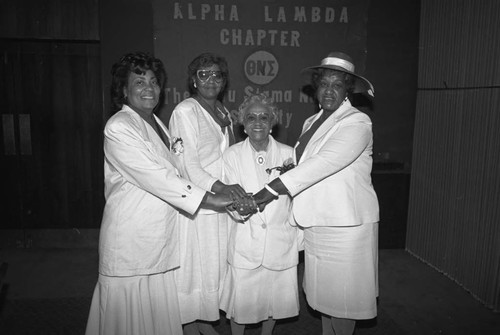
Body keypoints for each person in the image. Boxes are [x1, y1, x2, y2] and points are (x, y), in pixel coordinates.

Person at [85, 51, 233, 335]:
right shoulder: (119, 126)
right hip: (132, 240)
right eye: (139, 82)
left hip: (161, 240)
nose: (148, 88)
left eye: (153, 82)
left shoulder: (159, 125)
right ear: (124, 90)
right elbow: (158, 178)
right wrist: (209, 197)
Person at [253, 51, 380, 335]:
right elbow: (303, 165)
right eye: (324, 84)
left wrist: (266, 193)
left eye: (337, 85)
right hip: (316, 223)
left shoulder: (357, 122)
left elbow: (322, 165)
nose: (329, 90)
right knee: (324, 299)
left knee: (345, 301)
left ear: (348, 89)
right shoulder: (312, 122)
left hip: (346, 226)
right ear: (316, 86)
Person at [169, 52, 247, 335]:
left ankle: (203, 324)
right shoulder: (185, 111)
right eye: (204, 74)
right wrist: (220, 188)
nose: (211, 80)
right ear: (193, 80)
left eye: (217, 75)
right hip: (200, 204)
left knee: (212, 269)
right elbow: (186, 164)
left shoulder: (222, 111)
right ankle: (191, 326)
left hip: (220, 204)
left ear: (224, 81)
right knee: (196, 270)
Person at [219, 93, 302, 335]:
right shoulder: (231, 155)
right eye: (251, 118)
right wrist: (241, 209)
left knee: (274, 304)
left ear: (273, 122)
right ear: (243, 125)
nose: (258, 123)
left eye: (264, 117)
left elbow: (297, 199)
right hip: (246, 240)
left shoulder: (290, 154)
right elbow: (229, 197)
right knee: (241, 305)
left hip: (280, 241)